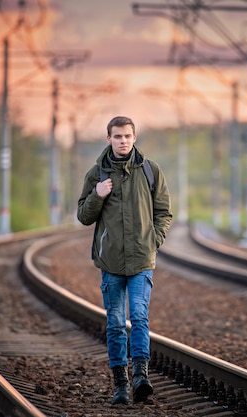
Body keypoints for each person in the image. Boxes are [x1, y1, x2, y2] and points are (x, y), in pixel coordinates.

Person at [77, 116, 173, 405]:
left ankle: (141, 376)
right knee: (117, 323)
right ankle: (121, 384)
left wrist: (153, 241)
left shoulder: (150, 171)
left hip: (142, 260)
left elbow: (164, 212)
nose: (123, 141)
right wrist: (97, 194)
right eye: (117, 136)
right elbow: (84, 216)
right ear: (109, 139)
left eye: (127, 136)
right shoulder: (97, 174)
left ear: (134, 138)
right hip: (111, 264)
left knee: (140, 318)